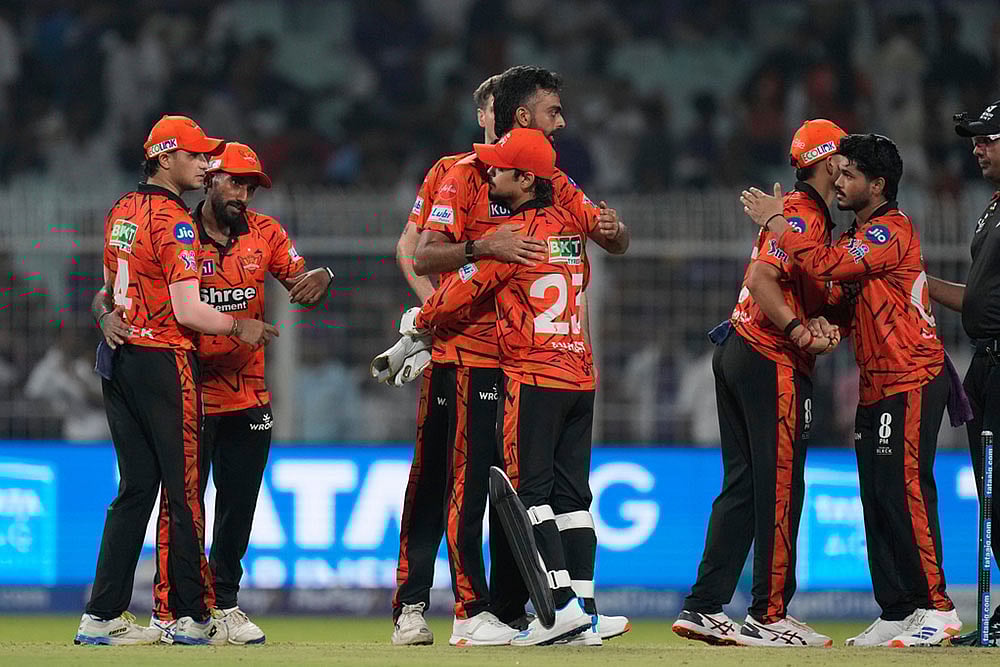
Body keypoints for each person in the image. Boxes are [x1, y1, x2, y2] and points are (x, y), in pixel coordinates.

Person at [411, 64, 629, 646]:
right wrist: (607, 231)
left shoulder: (519, 236)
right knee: (570, 497)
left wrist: (419, 321)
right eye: (554, 111)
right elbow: (421, 252)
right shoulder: (552, 208)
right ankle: (577, 605)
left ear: (524, 178)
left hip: (526, 372)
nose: (495, 172)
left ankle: (554, 608)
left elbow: (461, 286)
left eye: (505, 168)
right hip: (578, 370)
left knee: (520, 493)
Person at [742, 133, 962, 647]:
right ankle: (898, 608)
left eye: (850, 175)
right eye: (836, 173)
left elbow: (826, 267)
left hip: (911, 377)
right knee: (878, 496)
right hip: (875, 383)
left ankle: (939, 608)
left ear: (878, 184)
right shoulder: (857, 237)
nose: (838, 182)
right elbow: (839, 296)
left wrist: (779, 223)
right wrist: (819, 324)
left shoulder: (892, 230)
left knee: (906, 493)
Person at [79, 115, 277, 646]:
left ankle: (101, 615)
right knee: (185, 490)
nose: (206, 164)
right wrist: (242, 325)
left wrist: (103, 319)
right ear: (165, 158)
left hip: (119, 359)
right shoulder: (177, 222)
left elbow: (104, 292)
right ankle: (190, 616)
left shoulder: (121, 208)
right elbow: (189, 311)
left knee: (136, 488)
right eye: (196, 156)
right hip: (166, 361)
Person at [141, 141, 332, 644]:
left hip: (249, 396)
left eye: (250, 186)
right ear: (209, 179)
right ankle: (172, 609)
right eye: (235, 182)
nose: (243, 194)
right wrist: (105, 311)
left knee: (237, 508)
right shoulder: (175, 231)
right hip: (189, 394)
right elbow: (129, 287)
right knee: (183, 505)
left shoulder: (266, 233)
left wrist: (321, 279)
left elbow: (300, 279)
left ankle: (224, 604)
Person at [390, 74, 550, 647]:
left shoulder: (540, 177)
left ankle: (503, 608)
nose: (488, 117)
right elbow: (413, 250)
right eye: (486, 108)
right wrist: (433, 314)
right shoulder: (454, 172)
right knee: (444, 477)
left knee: (498, 483)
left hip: (521, 360)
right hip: (464, 356)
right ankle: (431, 606)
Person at [672, 120, 845, 648]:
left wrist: (814, 314)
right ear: (829, 161)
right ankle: (770, 614)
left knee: (745, 486)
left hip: (740, 349)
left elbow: (786, 283)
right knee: (780, 487)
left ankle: (704, 606)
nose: (846, 171)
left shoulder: (794, 214)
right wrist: (797, 328)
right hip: (770, 356)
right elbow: (761, 279)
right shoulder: (802, 216)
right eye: (842, 159)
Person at [928, 99, 1000, 646]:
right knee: (991, 494)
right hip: (985, 361)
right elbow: (978, 299)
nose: (977, 147)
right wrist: (917, 282)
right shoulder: (992, 206)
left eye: (988, 138)